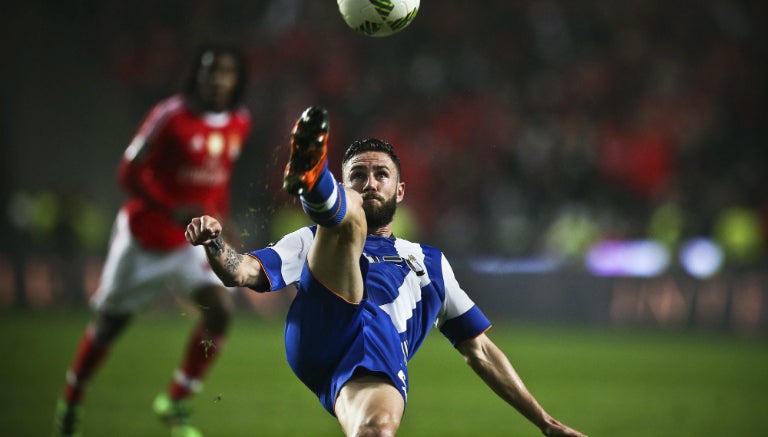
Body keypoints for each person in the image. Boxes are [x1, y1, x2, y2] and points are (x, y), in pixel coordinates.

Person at [185, 106, 587, 436]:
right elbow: (241, 272)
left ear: (400, 191)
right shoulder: (310, 238)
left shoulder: (430, 263)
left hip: (376, 355)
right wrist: (216, 245)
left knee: (376, 430)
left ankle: (315, 184)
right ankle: (313, 180)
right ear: (345, 184)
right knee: (348, 221)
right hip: (323, 325)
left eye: (381, 175)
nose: (370, 183)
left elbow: (479, 349)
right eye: (357, 176)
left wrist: (547, 424)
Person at [54, 42, 251, 437]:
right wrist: (169, 208)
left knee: (221, 311)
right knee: (111, 325)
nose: (217, 80)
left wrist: (223, 221)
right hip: (143, 239)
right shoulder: (169, 116)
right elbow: (128, 172)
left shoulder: (239, 121)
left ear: (236, 80)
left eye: (226, 73)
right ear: (197, 74)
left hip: (190, 242)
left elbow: (219, 178)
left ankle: (176, 401)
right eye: (211, 71)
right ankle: (71, 402)